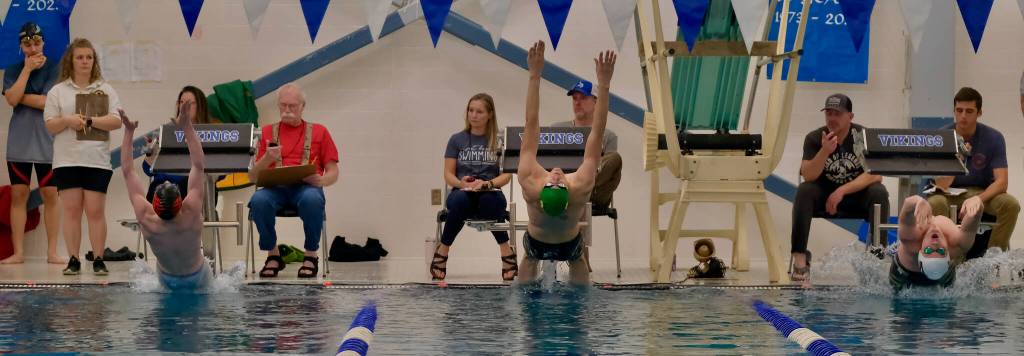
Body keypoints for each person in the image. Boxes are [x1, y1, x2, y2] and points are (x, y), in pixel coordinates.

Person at [516, 41, 615, 285]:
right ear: (567, 192)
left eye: (553, 182)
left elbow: (531, 123)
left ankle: (525, 297)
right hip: (569, 244)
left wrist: (534, 76)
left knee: (529, 259)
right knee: (577, 260)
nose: (557, 176)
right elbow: (597, 132)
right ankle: (580, 302)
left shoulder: (530, 181)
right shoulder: (580, 186)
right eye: (560, 182)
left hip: (537, 242)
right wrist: (604, 84)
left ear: (542, 190)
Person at [43, 38, 122, 275]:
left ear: (94, 61)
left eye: (89, 57)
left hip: (96, 160)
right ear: (72, 60)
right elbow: (50, 125)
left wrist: (89, 120)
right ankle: (74, 259)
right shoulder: (58, 91)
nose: (85, 61)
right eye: (80, 57)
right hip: (67, 161)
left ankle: (98, 258)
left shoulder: (105, 89)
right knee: (71, 211)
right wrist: (67, 120)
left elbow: (117, 120)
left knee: (95, 211)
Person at [791, 93, 889, 282]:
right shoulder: (814, 138)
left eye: (837, 114)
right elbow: (808, 174)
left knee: (879, 192)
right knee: (804, 190)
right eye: (829, 113)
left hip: (855, 197)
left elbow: (876, 174)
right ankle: (800, 261)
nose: (832, 118)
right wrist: (825, 151)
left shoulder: (862, 137)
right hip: (823, 196)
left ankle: (876, 258)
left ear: (850, 117)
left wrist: (841, 191)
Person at [248, 83, 339, 278]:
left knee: (312, 199)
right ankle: (273, 255)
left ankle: (310, 255)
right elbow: (253, 177)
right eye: (283, 105)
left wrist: (321, 180)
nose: (287, 110)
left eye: (292, 106)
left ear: (302, 107)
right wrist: (267, 159)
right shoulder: (266, 133)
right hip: (274, 189)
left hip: (306, 189)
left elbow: (334, 171)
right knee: (258, 200)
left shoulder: (320, 132)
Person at [119, 102, 211, 290]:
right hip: (198, 276)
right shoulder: (191, 212)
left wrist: (128, 132)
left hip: (167, 278)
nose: (168, 181)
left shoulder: (146, 217)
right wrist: (186, 126)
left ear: (154, 202)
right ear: (181, 201)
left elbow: (128, 172)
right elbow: (198, 165)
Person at [430, 93, 516, 281]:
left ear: (489, 115)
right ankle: (444, 249)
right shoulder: (456, 140)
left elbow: (507, 175)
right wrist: (462, 183)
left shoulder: (500, 140)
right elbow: (448, 174)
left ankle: (504, 248)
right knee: (460, 201)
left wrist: (488, 184)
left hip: (489, 191)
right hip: (462, 191)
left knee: (490, 202)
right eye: (471, 110)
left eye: (479, 111)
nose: (473, 115)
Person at [927, 87, 1019, 251]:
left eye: (969, 111)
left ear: (979, 113)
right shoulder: (941, 137)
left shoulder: (994, 138)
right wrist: (959, 159)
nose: (963, 116)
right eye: (959, 110)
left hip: (981, 191)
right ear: (954, 111)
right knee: (935, 202)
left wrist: (979, 198)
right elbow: (941, 185)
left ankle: (993, 260)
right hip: (948, 193)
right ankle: (949, 257)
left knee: (1011, 204)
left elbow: (1002, 182)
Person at [1, 22, 62, 264]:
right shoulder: (14, 69)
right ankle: (18, 253)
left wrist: (16, 96)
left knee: (50, 194)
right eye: (27, 44)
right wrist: (26, 71)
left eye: (37, 43)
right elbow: (10, 100)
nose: (33, 48)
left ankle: (52, 252)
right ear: (21, 46)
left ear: (43, 43)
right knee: (19, 194)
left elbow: (47, 103)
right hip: (20, 142)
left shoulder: (55, 67)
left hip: (47, 141)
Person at [551, 79, 623, 270]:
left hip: (595, 191)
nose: (577, 102)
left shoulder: (607, 135)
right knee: (578, 199)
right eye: (574, 98)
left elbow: (609, 169)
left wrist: (584, 177)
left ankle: (578, 186)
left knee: (614, 159)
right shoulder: (558, 129)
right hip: (565, 190)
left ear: (596, 102)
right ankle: (582, 262)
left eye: (583, 98)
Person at [141, 86, 218, 260]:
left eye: (189, 104)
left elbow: (221, 173)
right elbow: (147, 170)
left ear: (200, 107)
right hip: (164, 187)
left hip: (195, 188)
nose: (184, 107)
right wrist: (151, 153)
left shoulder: (211, 133)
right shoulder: (166, 132)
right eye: (181, 103)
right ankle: (168, 255)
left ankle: (194, 257)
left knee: (185, 187)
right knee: (158, 189)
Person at [890, 195, 982, 293]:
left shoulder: (911, 240)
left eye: (928, 250)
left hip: (903, 274)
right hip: (943, 275)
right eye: (941, 251)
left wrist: (917, 202)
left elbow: (907, 205)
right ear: (948, 253)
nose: (935, 244)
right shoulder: (959, 244)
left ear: (920, 251)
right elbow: (974, 219)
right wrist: (977, 203)